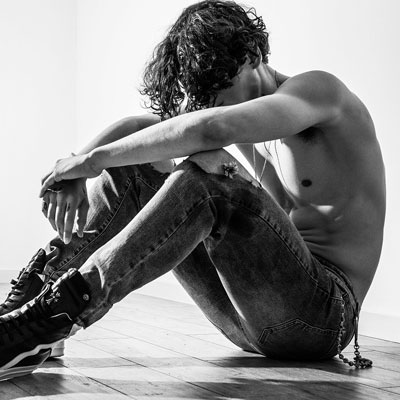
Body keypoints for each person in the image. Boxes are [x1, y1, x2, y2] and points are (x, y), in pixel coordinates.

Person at [0, 0, 385, 381]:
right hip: (246, 317)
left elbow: (212, 128)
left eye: (219, 90)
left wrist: (90, 162)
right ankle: (27, 313)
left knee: (210, 174)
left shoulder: (319, 91)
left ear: (253, 54)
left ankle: (57, 314)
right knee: (140, 164)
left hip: (323, 316)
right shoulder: (232, 110)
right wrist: (76, 167)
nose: (212, 105)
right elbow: (144, 129)